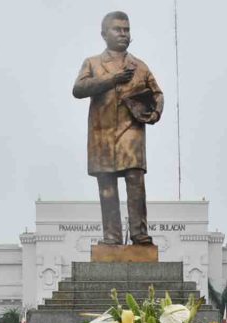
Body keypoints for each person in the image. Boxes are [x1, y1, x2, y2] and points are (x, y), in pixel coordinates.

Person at [73, 11, 163, 247]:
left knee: (135, 179)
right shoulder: (92, 63)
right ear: (104, 34)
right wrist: (113, 79)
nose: (123, 34)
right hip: (101, 134)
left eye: (127, 29)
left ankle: (139, 235)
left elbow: (157, 94)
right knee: (107, 185)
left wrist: (155, 112)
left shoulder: (140, 67)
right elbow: (78, 89)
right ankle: (111, 238)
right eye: (118, 29)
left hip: (131, 132)